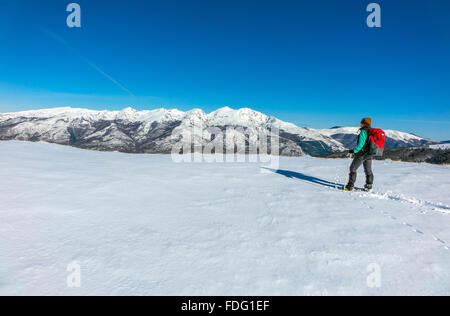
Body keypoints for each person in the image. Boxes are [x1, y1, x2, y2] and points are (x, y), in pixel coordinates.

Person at [345, 118, 374, 191]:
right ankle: (368, 186)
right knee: (368, 170)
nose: (360, 124)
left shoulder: (363, 131)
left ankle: (350, 186)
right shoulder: (372, 131)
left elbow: (361, 144)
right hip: (369, 154)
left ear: (363, 123)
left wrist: (354, 151)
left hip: (362, 154)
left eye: (361, 122)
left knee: (352, 168)